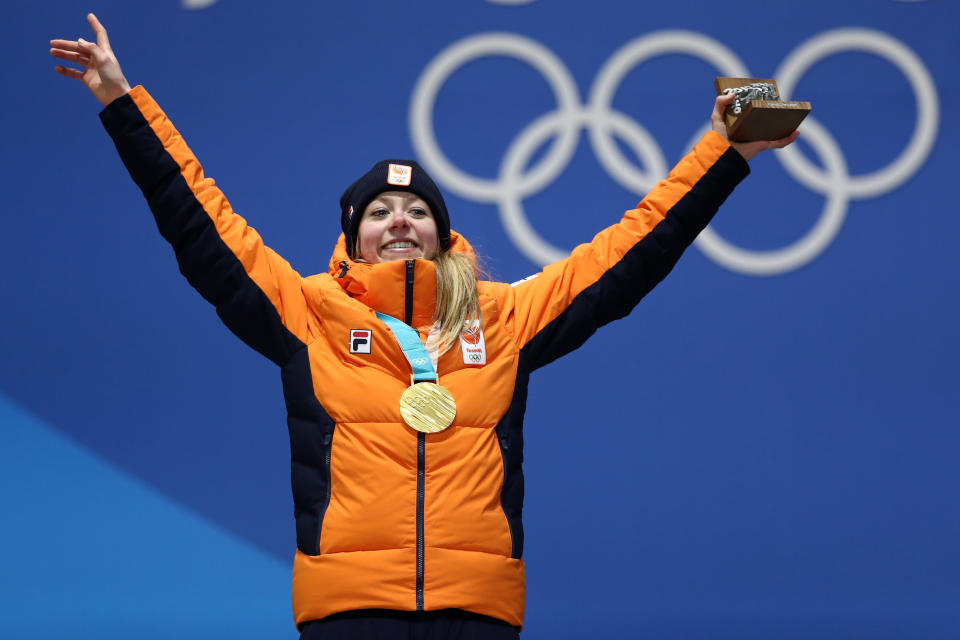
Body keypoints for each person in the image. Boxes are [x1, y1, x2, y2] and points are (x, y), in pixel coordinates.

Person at [51, 13, 798, 640]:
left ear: (442, 236)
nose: (399, 221)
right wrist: (121, 100)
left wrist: (724, 146)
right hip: (346, 608)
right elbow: (200, 223)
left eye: (417, 213)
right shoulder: (305, 310)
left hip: (478, 608)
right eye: (378, 212)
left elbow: (632, 248)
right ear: (352, 237)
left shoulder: (502, 316)